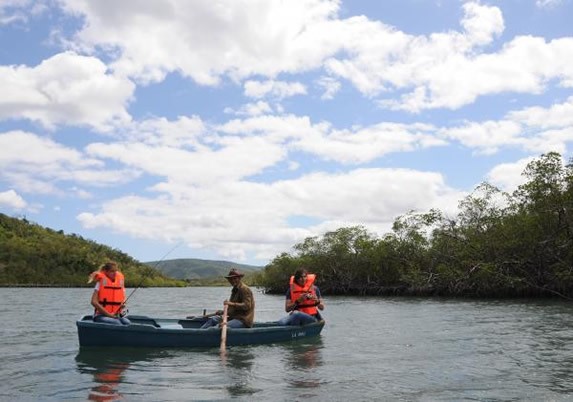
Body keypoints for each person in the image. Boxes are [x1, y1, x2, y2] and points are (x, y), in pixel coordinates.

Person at [89, 261, 131, 325]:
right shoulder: (100, 282)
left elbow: (123, 299)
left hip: (115, 315)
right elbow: (93, 302)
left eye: (115, 271)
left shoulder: (120, 282)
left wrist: (123, 305)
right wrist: (109, 315)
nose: (114, 273)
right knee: (117, 323)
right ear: (106, 272)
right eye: (112, 271)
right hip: (100, 315)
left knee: (127, 323)